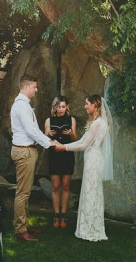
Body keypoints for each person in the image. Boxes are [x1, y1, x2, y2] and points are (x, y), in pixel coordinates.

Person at [55, 94, 113, 241]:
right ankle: (91, 226)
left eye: (87, 104)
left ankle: (90, 229)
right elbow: (81, 141)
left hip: (93, 160)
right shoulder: (98, 122)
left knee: (90, 193)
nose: (85, 106)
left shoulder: (97, 123)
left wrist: (63, 148)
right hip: (93, 159)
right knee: (91, 192)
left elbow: (83, 145)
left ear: (95, 105)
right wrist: (65, 145)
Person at [10, 74, 60, 242]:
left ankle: (25, 224)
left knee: (25, 191)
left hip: (27, 150)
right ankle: (20, 229)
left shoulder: (24, 105)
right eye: (34, 87)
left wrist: (47, 141)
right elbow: (31, 130)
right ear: (25, 87)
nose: (36, 90)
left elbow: (32, 129)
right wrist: (49, 143)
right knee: (22, 193)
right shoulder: (22, 106)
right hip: (24, 151)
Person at [44, 95, 77, 228]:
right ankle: (56, 215)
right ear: (54, 107)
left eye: (63, 106)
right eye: (58, 106)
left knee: (66, 185)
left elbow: (75, 139)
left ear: (67, 107)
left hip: (67, 155)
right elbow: (44, 139)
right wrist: (48, 135)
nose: (61, 109)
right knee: (56, 186)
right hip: (54, 155)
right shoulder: (49, 120)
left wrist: (70, 133)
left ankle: (64, 215)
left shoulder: (71, 119)